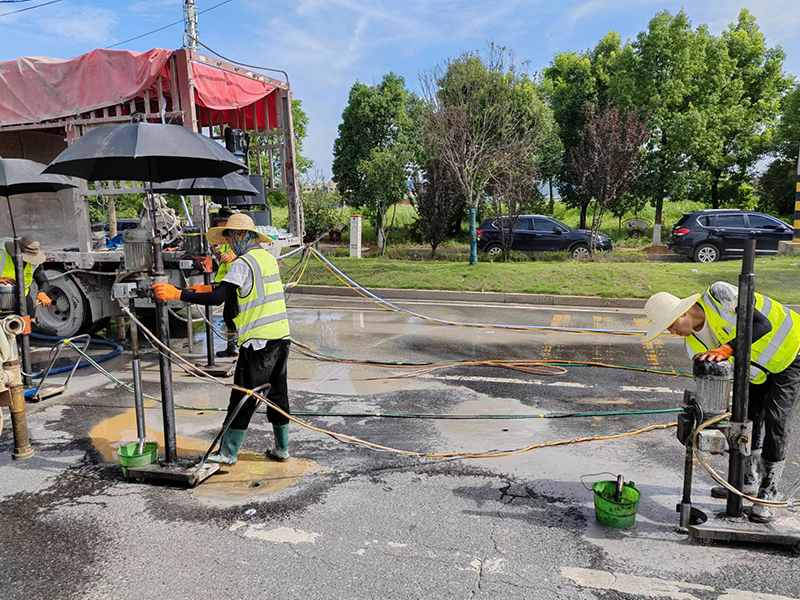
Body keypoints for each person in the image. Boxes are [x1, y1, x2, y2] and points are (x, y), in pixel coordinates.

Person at [644, 282, 800, 522]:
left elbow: (762, 324)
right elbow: (717, 383)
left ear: (682, 313)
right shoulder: (693, 345)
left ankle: (768, 491)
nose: (672, 333)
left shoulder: (720, 295)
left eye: (671, 325)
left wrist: (728, 348)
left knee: (776, 419)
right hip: (757, 372)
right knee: (747, 418)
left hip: (791, 352)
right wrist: (713, 429)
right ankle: (748, 481)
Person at [152, 214, 290, 465]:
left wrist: (177, 294)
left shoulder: (243, 262)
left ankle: (227, 453)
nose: (227, 242)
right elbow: (226, 289)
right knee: (278, 395)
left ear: (242, 236)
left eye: (229, 236)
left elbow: (219, 298)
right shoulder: (267, 259)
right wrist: (199, 289)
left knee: (243, 397)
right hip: (280, 338)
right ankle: (282, 449)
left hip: (257, 342)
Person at [211, 207, 239, 358]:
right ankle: (232, 347)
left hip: (238, 285)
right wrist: (218, 253)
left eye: (224, 224)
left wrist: (234, 255)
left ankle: (237, 347)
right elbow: (224, 260)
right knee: (229, 316)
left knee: (236, 316)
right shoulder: (227, 241)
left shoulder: (238, 239)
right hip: (228, 282)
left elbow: (247, 252)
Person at [0, 237, 52, 311]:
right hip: (2, 298)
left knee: (26, 320)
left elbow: (43, 281)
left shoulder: (34, 263)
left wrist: (42, 293)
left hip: (22, 299)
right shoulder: (2, 255)